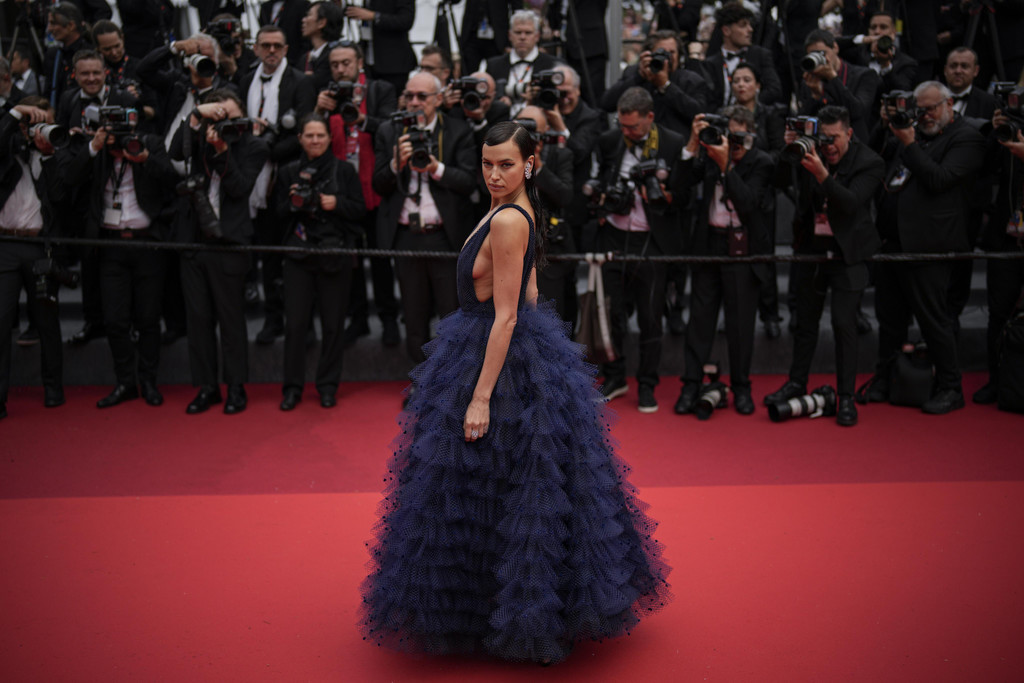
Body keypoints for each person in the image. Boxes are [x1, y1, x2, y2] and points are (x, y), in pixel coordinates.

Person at [359, 120, 671, 664]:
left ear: (530, 163)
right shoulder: (513, 210)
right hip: (501, 349)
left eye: (506, 164)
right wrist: (537, 360)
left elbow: (506, 316)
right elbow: (529, 289)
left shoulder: (507, 219)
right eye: (487, 164)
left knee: (482, 481)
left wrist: (482, 397)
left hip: (490, 350)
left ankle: (505, 613)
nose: (494, 174)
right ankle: (496, 607)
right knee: (504, 482)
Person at [866, 81, 987, 414]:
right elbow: (872, 157)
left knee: (935, 321)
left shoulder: (966, 137)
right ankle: (885, 376)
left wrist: (909, 142)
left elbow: (939, 179)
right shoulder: (911, 131)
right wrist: (883, 125)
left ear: (949, 104)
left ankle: (951, 387)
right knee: (890, 320)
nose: (925, 116)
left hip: (930, 247)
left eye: (931, 108)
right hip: (892, 243)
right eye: (919, 110)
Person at [766, 106, 885, 427]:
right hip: (812, 249)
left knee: (844, 324)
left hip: (849, 253)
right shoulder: (811, 149)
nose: (828, 145)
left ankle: (845, 396)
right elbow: (778, 181)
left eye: (834, 139)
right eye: (823, 138)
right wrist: (788, 151)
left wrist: (821, 173)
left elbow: (850, 202)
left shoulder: (870, 161)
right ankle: (796, 383)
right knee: (805, 323)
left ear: (849, 133)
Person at [66, 80, 176, 409]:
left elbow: (172, 181)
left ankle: (149, 381)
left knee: (148, 318)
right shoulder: (98, 147)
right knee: (114, 321)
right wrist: (94, 147)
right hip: (110, 245)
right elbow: (70, 179)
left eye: (126, 118)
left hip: (147, 245)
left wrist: (144, 159)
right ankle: (125, 382)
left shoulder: (151, 142)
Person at [168, 90, 269, 415]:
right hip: (194, 241)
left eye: (232, 117)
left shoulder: (254, 146)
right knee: (198, 321)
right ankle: (207, 387)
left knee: (231, 320)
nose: (225, 124)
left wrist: (222, 150)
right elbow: (174, 152)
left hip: (230, 243)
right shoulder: (198, 135)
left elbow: (239, 188)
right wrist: (196, 116)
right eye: (219, 116)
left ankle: (236, 387)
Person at [372, 71, 477, 383]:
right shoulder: (390, 130)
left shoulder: (457, 130)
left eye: (422, 96)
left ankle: (453, 383)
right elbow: (378, 185)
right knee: (414, 315)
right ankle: (421, 383)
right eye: (409, 96)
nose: (415, 102)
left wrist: (436, 168)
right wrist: (396, 164)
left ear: (439, 99)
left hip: (444, 236)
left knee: (451, 315)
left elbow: (469, 182)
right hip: (406, 235)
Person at [674, 107, 774, 417]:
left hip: (743, 250)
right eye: (729, 137)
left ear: (753, 136)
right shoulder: (709, 154)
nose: (733, 143)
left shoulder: (762, 162)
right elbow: (679, 185)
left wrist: (726, 165)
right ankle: (691, 385)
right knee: (699, 322)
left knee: (740, 325)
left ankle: (741, 387)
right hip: (709, 245)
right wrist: (693, 143)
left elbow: (748, 203)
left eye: (739, 138)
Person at [593, 87, 685, 414]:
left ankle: (647, 384)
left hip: (653, 240)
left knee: (650, 318)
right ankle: (615, 376)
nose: (626, 131)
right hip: (613, 236)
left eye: (632, 126)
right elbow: (600, 180)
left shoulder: (673, 143)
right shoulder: (610, 140)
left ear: (650, 117)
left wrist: (664, 194)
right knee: (613, 314)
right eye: (622, 125)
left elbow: (684, 195)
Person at [275, 115, 365, 410]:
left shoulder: (344, 171)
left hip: (334, 253)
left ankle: (328, 386)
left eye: (320, 135)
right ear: (300, 138)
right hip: (298, 254)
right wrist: (293, 203)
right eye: (309, 135)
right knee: (295, 325)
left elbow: (360, 211)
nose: (315, 140)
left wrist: (336, 203)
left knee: (333, 325)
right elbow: (276, 214)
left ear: (329, 138)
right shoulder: (288, 171)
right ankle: (292, 388)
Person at [314, 40, 400, 349]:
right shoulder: (327, 94)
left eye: (345, 63)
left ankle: (388, 319)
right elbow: (313, 137)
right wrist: (319, 111)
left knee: (380, 259)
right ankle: (358, 318)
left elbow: (391, 126)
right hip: (342, 190)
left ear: (359, 63)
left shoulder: (378, 89)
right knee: (349, 260)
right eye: (334, 64)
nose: (340, 69)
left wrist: (362, 120)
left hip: (374, 186)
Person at [242, 25, 316, 345]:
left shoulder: (301, 81)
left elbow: (304, 134)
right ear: (256, 48)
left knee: (297, 255)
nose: (271, 51)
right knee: (268, 256)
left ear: (286, 49)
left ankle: (305, 325)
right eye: (265, 45)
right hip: (254, 182)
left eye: (277, 45)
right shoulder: (245, 80)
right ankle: (273, 320)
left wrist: (263, 148)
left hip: (288, 180)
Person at [0, 99, 67, 420]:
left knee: (47, 322)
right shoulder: (6, 154)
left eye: (43, 124)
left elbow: (63, 195)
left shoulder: (54, 156)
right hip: (5, 244)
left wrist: (48, 154)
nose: (35, 131)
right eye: (30, 124)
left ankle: (53, 387)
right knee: (1, 323)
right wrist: (16, 114)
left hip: (41, 246)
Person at [730, 61, 786, 339]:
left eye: (747, 79)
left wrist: (750, 155)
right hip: (732, 195)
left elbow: (778, 153)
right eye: (736, 80)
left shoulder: (770, 114)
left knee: (764, 256)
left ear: (758, 85)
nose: (741, 84)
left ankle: (770, 314)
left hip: (762, 194)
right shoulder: (725, 115)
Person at [971, 112, 1024, 404]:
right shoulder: (1009, 131)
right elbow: (984, 169)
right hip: (1005, 237)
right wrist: (996, 133)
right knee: (999, 313)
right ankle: (997, 380)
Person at [798, 29, 881, 145]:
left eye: (822, 53)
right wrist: (815, 97)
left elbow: (857, 112)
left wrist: (832, 78)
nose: (819, 59)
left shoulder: (864, 75)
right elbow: (803, 122)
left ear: (835, 48)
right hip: (822, 145)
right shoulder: (810, 81)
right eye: (813, 55)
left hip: (854, 145)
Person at [485, 9, 563, 118]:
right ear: (510, 35)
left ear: (537, 36)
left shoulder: (554, 65)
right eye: (518, 32)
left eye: (528, 33)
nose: (522, 37)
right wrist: (498, 105)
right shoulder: (493, 65)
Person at [704, 2, 783, 108]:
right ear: (726, 31)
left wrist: (750, 105)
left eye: (750, 25)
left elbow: (774, 90)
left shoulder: (761, 55)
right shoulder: (710, 64)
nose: (750, 30)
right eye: (743, 25)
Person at [346, 0, 417, 97]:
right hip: (369, 61)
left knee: (392, 99)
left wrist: (374, 16)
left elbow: (405, 21)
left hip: (393, 64)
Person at [42, 3, 92, 108]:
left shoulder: (90, 53)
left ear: (71, 26)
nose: (49, 29)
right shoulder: (54, 55)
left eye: (53, 23)